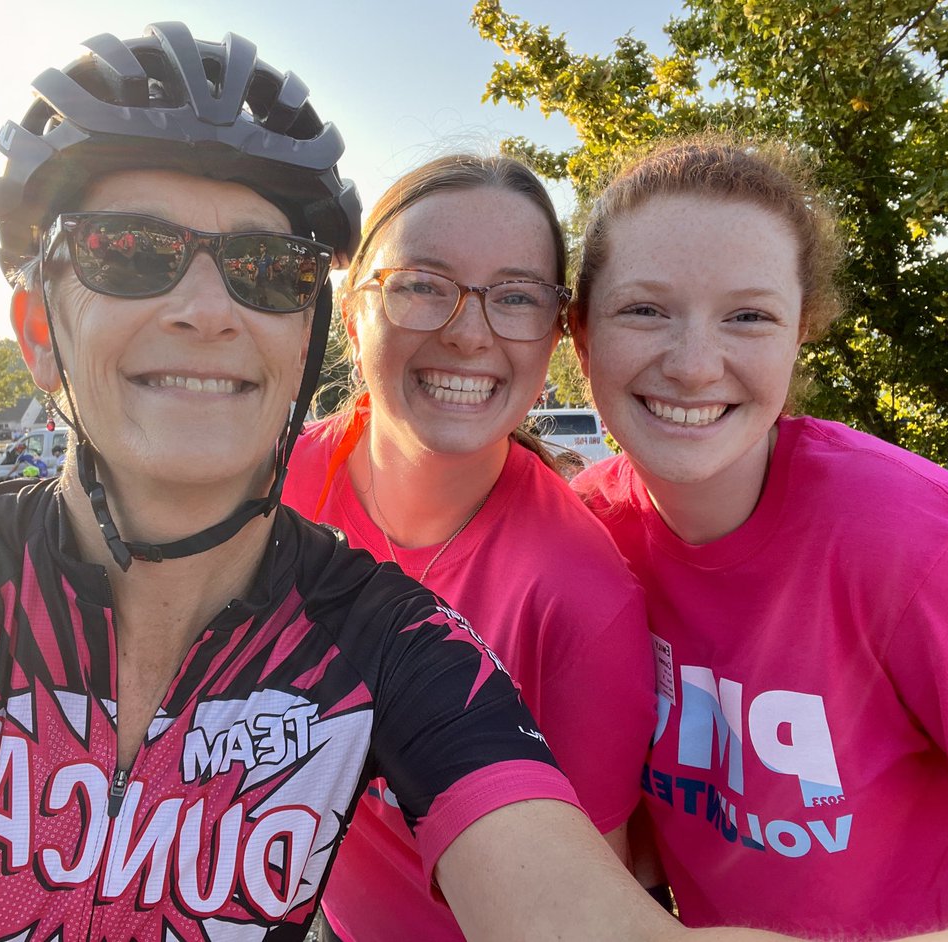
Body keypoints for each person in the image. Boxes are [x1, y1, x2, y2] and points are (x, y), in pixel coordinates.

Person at [0, 25, 753, 942]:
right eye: (131, 251)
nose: (205, 309)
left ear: (303, 334)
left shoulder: (401, 646)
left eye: (264, 271)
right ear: (36, 332)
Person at [568, 134, 948, 937]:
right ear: (581, 337)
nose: (696, 364)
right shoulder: (584, 536)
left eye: (749, 316)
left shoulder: (928, 546)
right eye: (644, 309)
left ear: (799, 333)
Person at [281, 153, 656, 942]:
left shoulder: (580, 597)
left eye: (515, 297)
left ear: (555, 333)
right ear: (353, 311)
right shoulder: (271, 492)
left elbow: (590, 907)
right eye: (422, 284)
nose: (468, 332)